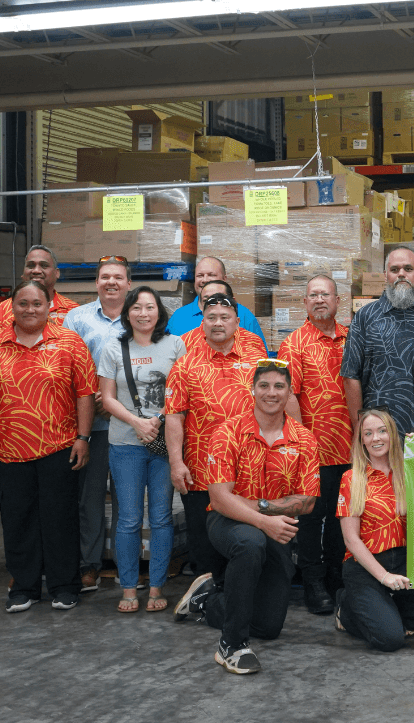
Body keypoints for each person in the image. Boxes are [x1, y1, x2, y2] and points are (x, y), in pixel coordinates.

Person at [0, 279, 97, 613]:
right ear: (11, 306)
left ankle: (64, 585)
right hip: (8, 450)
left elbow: (84, 393)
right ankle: (23, 586)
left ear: (50, 305)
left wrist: (83, 437)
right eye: (22, 303)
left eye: (37, 303)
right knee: (16, 518)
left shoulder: (69, 342)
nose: (30, 310)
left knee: (60, 519)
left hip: (59, 446)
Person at [188, 361, 318, 675]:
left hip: (272, 525)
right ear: (252, 389)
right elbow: (219, 498)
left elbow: (307, 502)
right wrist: (264, 521)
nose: (271, 393)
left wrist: (257, 508)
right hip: (226, 522)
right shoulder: (227, 432)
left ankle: (206, 601)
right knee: (251, 541)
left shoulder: (304, 440)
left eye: (279, 387)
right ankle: (231, 645)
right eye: (264, 386)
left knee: (269, 625)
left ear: (289, 393)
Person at [165, 293, 270, 604]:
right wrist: (175, 462)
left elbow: (274, 405)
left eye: (225, 317)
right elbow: (174, 417)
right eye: (211, 317)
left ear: (237, 322)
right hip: (201, 470)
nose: (218, 323)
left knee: (251, 532)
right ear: (203, 324)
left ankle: (246, 595)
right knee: (205, 538)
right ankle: (213, 597)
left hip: (250, 467)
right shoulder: (185, 365)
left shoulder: (256, 360)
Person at [334, 409, 414, 651]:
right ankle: (347, 610)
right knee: (389, 641)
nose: (376, 438)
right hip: (365, 566)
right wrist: (384, 577)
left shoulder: (411, 471)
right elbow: (350, 539)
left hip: (404, 561)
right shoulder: (352, 478)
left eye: (382, 431)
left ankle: (390, 616)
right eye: (368, 433)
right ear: (361, 440)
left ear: (393, 434)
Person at [98, 286, 185, 613]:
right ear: (128, 312)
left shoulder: (175, 344)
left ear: (159, 312)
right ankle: (129, 587)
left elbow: (184, 391)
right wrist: (137, 422)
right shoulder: (113, 347)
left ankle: (157, 586)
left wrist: (158, 420)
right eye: (137, 308)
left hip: (164, 445)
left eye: (150, 307)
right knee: (130, 519)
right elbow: (106, 397)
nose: (144, 313)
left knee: (161, 517)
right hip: (125, 444)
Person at [277, 275, 353, 615]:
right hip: (312, 450)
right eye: (313, 295)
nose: (319, 300)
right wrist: (302, 441)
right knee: (310, 518)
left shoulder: (352, 338)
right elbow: (288, 394)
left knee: (343, 516)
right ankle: (312, 580)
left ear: (338, 301)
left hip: (352, 448)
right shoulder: (293, 344)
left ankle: (337, 576)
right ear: (304, 303)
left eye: (325, 294)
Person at [63, 257, 132, 593]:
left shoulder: (141, 316)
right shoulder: (77, 318)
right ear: (96, 282)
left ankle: (126, 564)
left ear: (128, 284)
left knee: (127, 499)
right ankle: (88, 565)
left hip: (129, 426)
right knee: (89, 499)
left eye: (118, 277)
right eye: (105, 277)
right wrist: (95, 406)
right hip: (90, 425)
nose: (111, 282)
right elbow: (66, 368)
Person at [342, 247, 414, 438]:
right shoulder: (365, 317)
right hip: (382, 432)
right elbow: (351, 375)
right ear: (385, 275)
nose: (401, 274)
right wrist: (361, 428)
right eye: (394, 270)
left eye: (408, 268)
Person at [165, 255, 266, 346]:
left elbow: (259, 355)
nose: (205, 280)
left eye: (211, 275)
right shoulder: (179, 316)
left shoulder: (244, 315)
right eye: (200, 275)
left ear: (224, 279)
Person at [0, 245, 78, 330]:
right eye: (31, 265)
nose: (36, 270)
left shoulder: (74, 311)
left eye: (44, 266)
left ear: (56, 273)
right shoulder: (0, 312)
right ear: (23, 274)